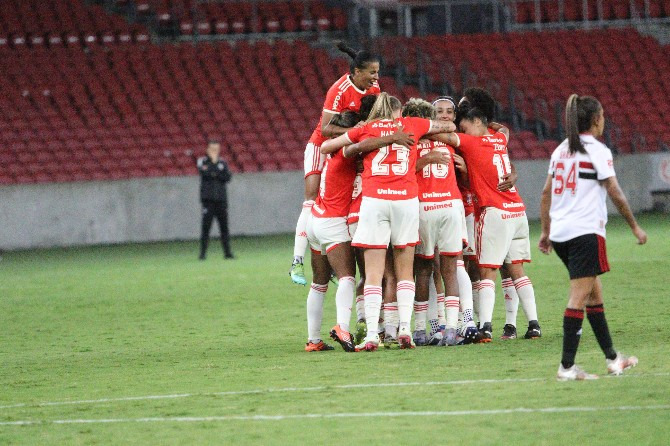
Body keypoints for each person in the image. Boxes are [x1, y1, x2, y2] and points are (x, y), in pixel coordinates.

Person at [322, 93, 456, 351]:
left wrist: (365, 141)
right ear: (398, 111)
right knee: (405, 271)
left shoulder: (368, 128)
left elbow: (329, 147)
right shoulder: (412, 124)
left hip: (374, 202)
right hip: (406, 201)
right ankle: (405, 330)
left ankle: (373, 334)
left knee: (373, 273)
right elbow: (447, 126)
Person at [539, 94, 647, 381]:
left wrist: (547, 233)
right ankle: (566, 367)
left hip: (562, 234)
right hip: (585, 232)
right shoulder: (597, 151)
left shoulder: (561, 150)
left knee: (594, 295)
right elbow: (614, 191)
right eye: (602, 115)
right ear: (596, 119)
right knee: (578, 297)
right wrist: (635, 226)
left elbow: (546, 192)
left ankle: (613, 359)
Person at [434, 99, 541, 343]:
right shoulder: (499, 139)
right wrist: (491, 123)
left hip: (495, 212)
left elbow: (447, 137)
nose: (461, 131)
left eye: (464, 126)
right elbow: (504, 129)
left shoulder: (471, 142)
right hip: (517, 211)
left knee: (487, 271)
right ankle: (534, 324)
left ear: (476, 122)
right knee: (517, 270)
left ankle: (485, 327)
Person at [289, 42, 381, 286]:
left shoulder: (374, 89)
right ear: (357, 71)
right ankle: (297, 259)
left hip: (350, 147)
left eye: (377, 72)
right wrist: (355, 130)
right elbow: (327, 129)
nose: (376, 77)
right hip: (322, 145)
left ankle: (336, 257)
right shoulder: (338, 90)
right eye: (372, 72)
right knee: (311, 201)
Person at [196, 141, 234, 260]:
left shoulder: (223, 162)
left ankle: (227, 253)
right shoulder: (202, 161)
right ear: (207, 149)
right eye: (212, 148)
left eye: (217, 148)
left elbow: (227, 177)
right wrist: (215, 169)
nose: (215, 151)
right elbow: (205, 173)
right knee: (206, 227)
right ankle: (202, 254)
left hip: (221, 200)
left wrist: (214, 172)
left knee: (224, 227)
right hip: (208, 200)